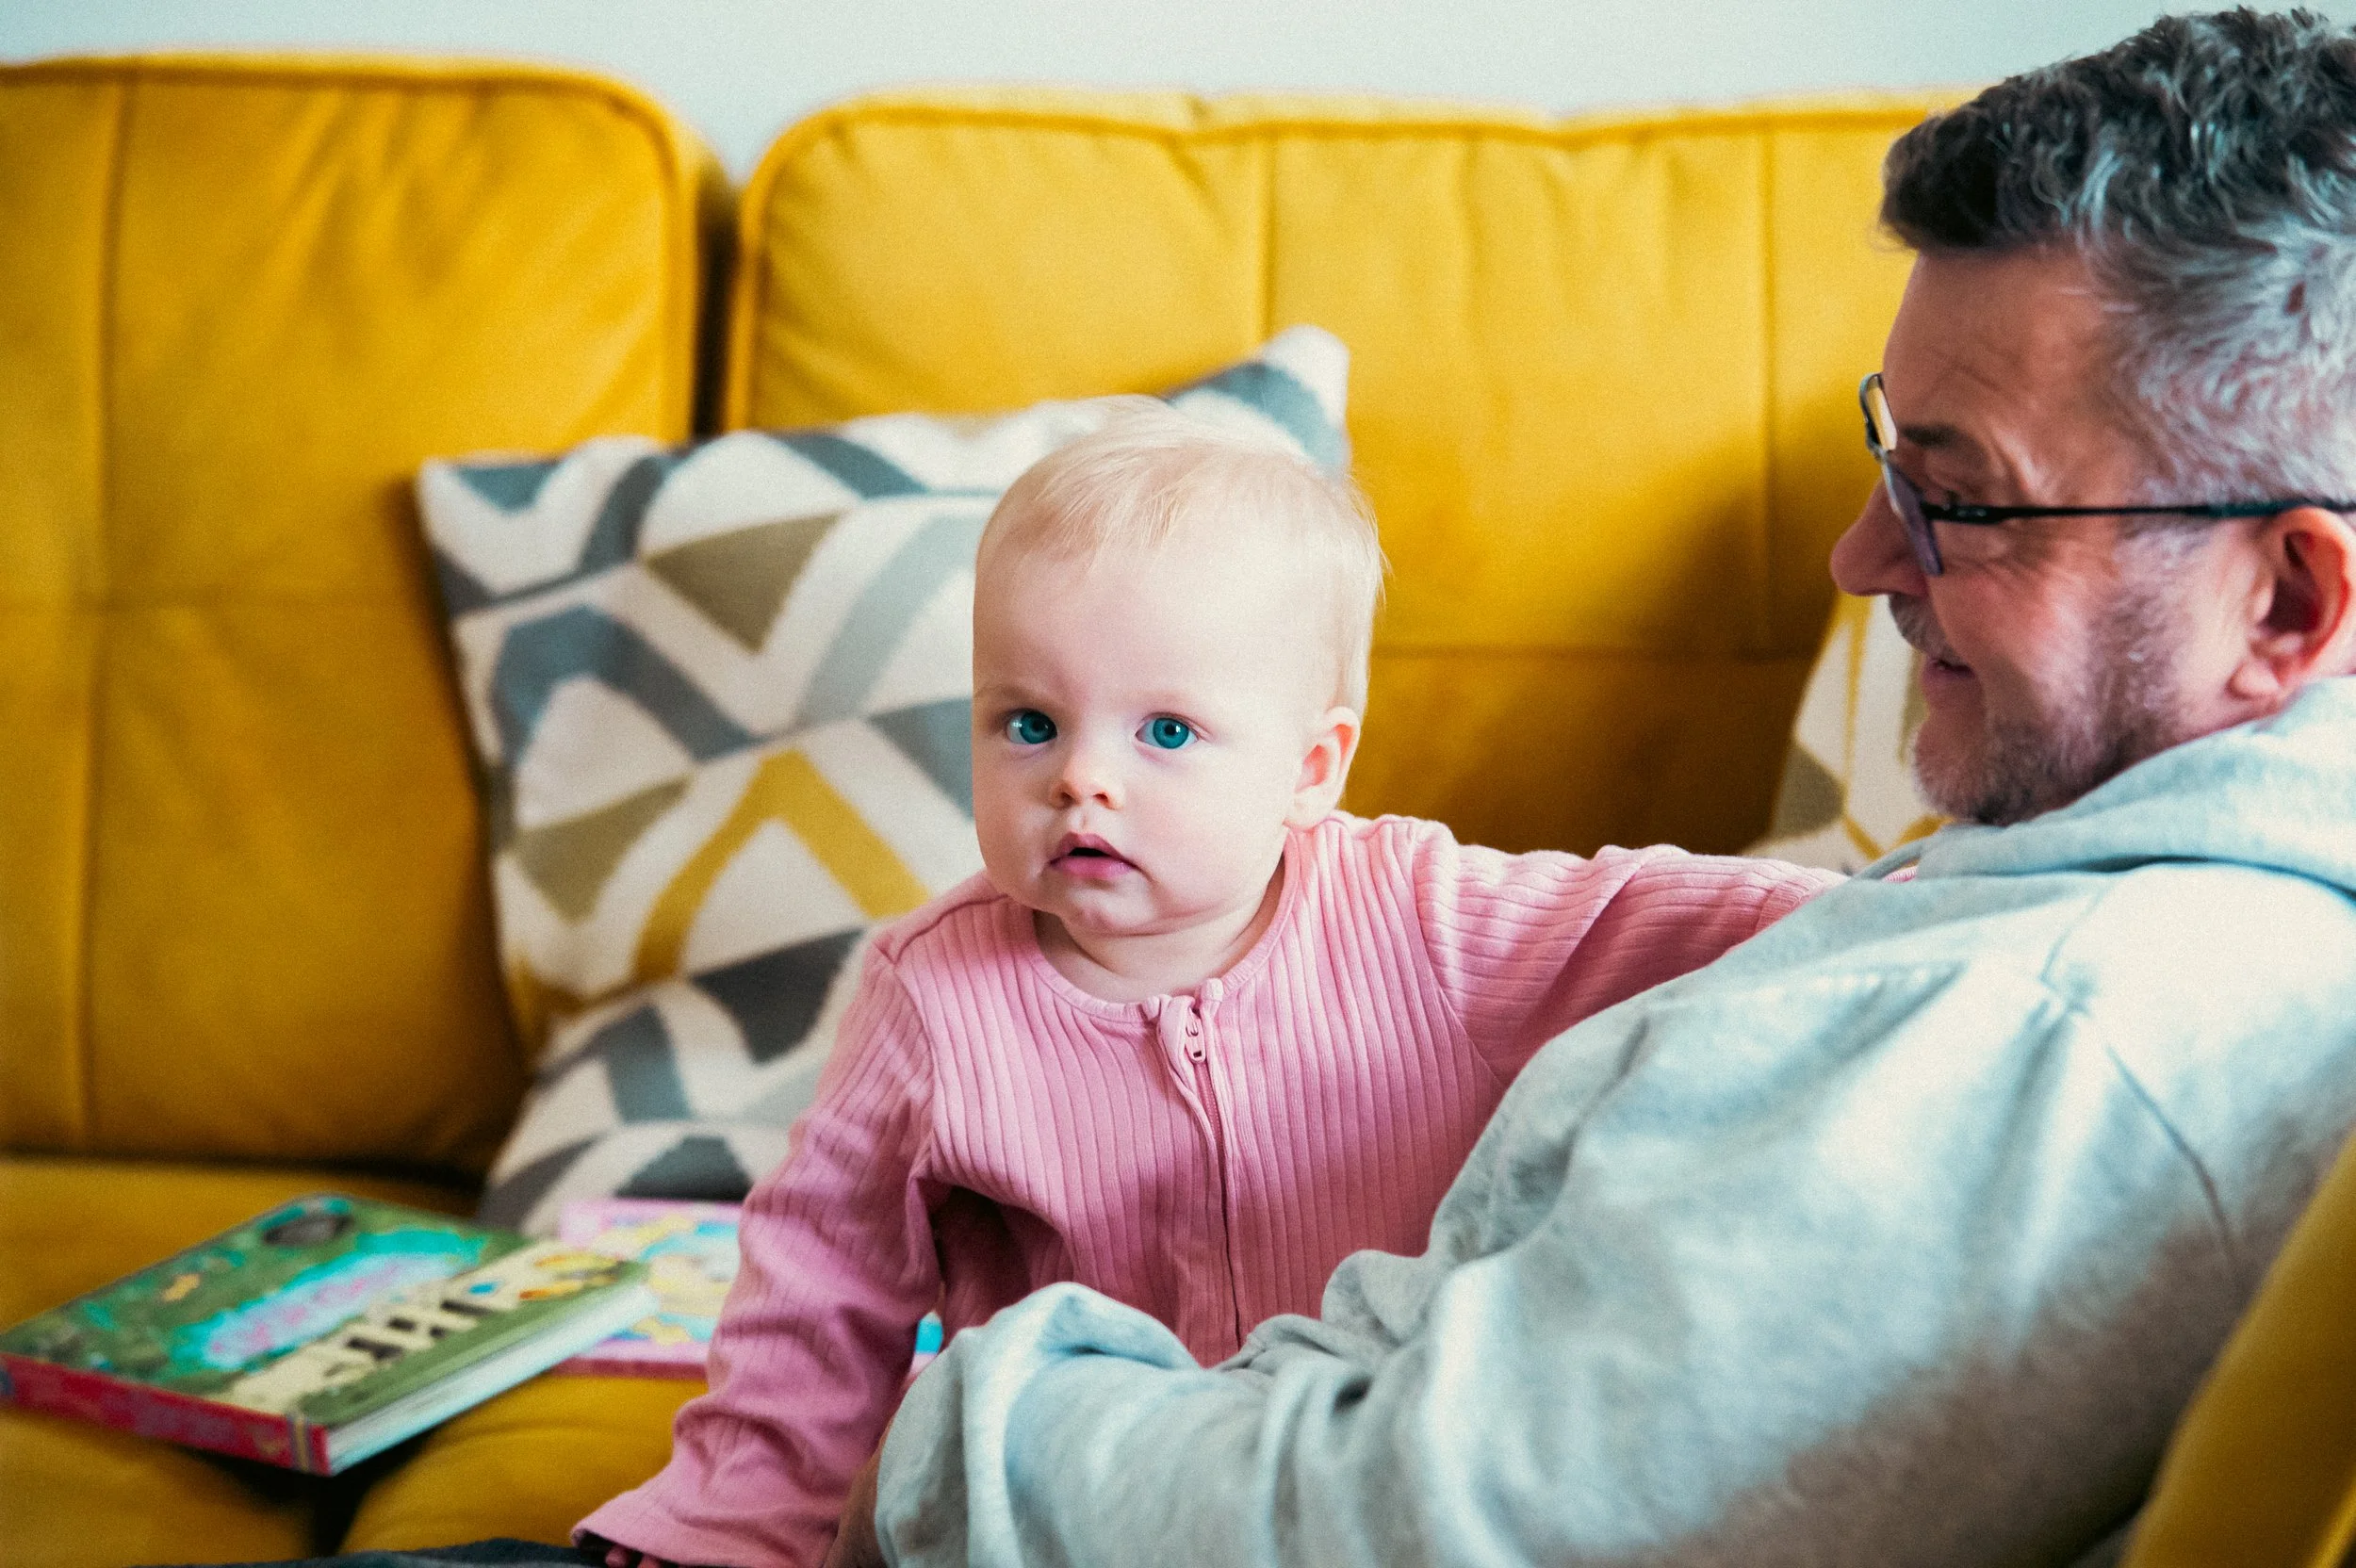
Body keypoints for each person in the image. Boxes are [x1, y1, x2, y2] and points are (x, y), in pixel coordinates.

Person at [826, 11, 2356, 1567]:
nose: (1860, 559)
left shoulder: (2055, 1044)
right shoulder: (2133, 924)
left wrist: (953, 1436)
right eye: (1888, 460)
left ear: (2289, 604)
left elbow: (1401, 1530)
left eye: (1960, 501)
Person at [575, 407, 1836, 1566]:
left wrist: (1914, 904)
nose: (1082, 781)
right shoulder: (933, 993)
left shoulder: (1421, 915)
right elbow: (820, 1288)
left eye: (1164, 732)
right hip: (1077, 1502)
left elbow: (1647, 917)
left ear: (1311, 766)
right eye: (1028, 723)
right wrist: (734, 1522)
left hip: (1362, 1473)